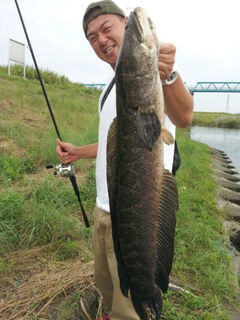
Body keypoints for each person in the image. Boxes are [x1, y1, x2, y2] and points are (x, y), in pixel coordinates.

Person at [56, 1, 194, 319]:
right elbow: (114, 144)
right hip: (105, 210)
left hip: (143, 213)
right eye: (92, 37)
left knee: (137, 297)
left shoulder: (153, 76)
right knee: (109, 287)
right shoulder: (108, 90)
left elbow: (184, 116)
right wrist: (79, 152)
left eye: (107, 29)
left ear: (122, 23)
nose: (101, 40)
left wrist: (169, 73)